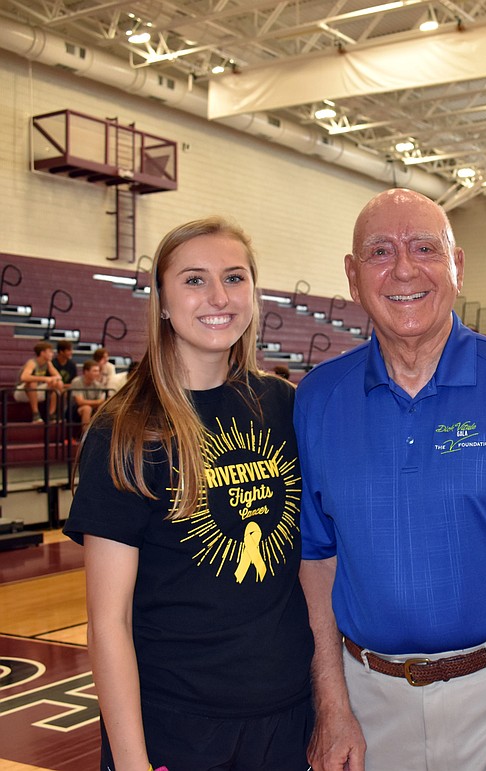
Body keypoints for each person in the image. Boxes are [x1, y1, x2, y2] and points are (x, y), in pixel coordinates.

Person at [295, 188, 486, 771]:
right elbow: (317, 563)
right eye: (380, 252)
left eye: (425, 248)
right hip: (368, 709)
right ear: (353, 277)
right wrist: (331, 705)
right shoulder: (318, 398)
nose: (404, 269)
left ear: (457, 266)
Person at [64, 216, 314, 771]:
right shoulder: (127, 428)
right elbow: (108, 623)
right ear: (162, 301)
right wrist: (132, 763)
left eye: (235, 277)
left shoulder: (284, 406)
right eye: (195, 280)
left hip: (287, 717)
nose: (218, 297)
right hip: (176, 727)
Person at [14, 340, 64, 422]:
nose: (52, 354)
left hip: (37, 390)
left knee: (59, 383)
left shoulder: (48, 363)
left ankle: (51, 414)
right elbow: (24, 377)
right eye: (50, 351)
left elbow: (58, 377)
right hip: (21, 391)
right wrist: (45, 379)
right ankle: (36, 414)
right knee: (33, 382)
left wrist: (53, 380)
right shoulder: (32, 362)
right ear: (42, 353)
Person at [68, 359, 107, 431]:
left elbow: (101, 401)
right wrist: (97, 402)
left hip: (93, 408)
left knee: (102, 408)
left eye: (98, 371)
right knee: (87, 408)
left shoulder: (98, 385)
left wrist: (98, 403)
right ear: (86, 372)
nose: (97, 373)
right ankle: (85, 434)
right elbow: (80, 402)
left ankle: (100, 433)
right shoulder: (77, 381)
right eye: (94, 371)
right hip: (74, 410)